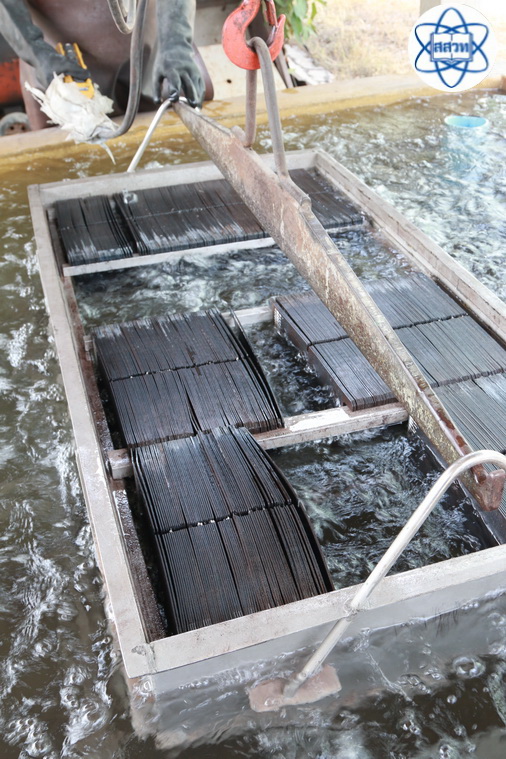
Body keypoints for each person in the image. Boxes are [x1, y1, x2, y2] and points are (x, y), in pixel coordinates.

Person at [0, 0, 206, 130]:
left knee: (184, 128)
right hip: (57, 59)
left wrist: (176, 42)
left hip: (152, 41)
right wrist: (38, 54)